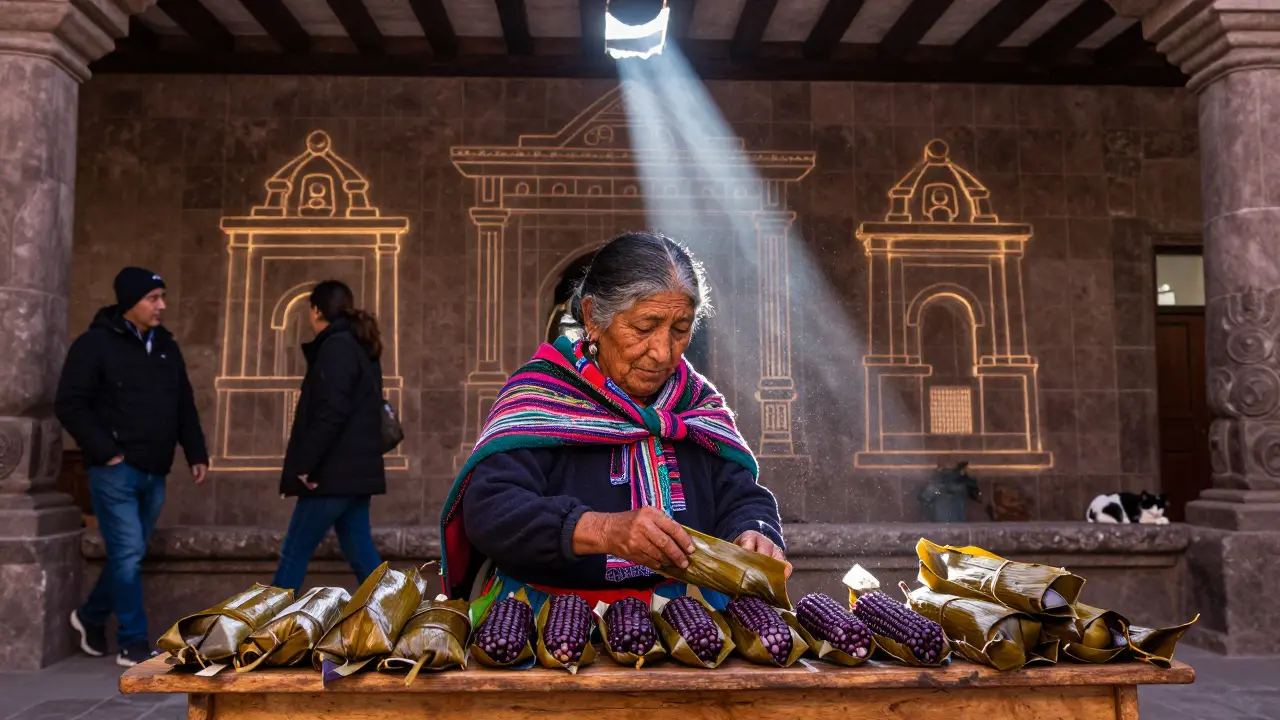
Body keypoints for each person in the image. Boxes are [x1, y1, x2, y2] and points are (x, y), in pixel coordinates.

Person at [439, 232, 787, 611]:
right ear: (592, 317)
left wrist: (754, 531)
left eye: (680, 329)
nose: (662, 352)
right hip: (548, 616)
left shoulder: (695, 403)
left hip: (686, 619)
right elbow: (492, 510)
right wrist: (604, 530)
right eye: (643, 327)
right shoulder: (544, 396)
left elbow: (740, 495)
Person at [56, 267, 209, 667]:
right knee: (127, 554)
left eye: (162, 296)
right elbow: (70, 403)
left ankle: (89, 618)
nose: (162, 305)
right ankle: (132, 642)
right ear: (131, 303)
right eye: (153, 298)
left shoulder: (166, 347)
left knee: (132, 552)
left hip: (154, 469)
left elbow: (183, 403)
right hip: (114, 470)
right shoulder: (94, 345)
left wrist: (196, 452)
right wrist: (106, 451)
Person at [271, 280, 386, 592]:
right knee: (361, 553)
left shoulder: (335, 348)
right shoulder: (360, 346)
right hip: (354, 473)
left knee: (294, 552)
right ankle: (396, 618)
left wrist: (307, 465)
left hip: (331, 476)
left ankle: (267, 631)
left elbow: (330, 413)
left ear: (317, 310)